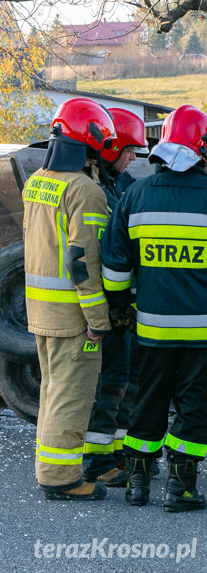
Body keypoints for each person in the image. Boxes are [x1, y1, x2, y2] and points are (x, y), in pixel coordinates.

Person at [102, 104, 207, 512]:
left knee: (148, 402)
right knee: (195, 407)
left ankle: (138, 483)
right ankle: (180, 489)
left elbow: (114, 266)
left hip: (150, 330)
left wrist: (122, 307)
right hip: (200, 333)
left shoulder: (135, 196)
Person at [23, 97, 115, 501]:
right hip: (73, 315)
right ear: (90, 140)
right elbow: (83, 263)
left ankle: (50, 466)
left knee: (52, 391)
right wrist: (98, 318)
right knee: (70, 395)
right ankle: (60, 477)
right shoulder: (86, 191)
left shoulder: (37, 181)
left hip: (40, 310)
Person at [82, 108, 147, 486]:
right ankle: (95, 462)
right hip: (103, 305)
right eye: (129, 150)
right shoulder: (92, 189)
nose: (134, 158)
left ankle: (118, 454)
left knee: (128, 379)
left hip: (123, 304)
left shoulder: (121, 186)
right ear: (108, 149)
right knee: (108, 382)